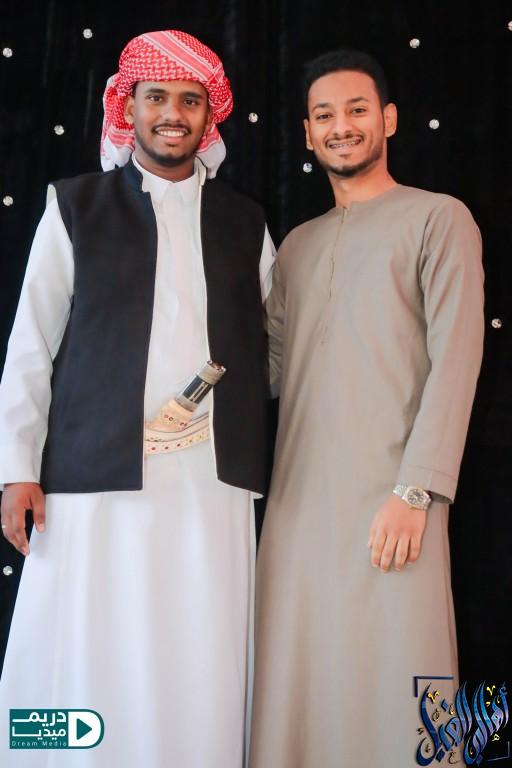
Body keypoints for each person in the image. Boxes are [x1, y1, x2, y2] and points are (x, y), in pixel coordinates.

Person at [0, 29, 274, 767]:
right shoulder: (75, 207)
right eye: (157, 97)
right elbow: (30, 346)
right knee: (94, 646)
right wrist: (16, 470)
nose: (172, 114)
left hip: (211, 481)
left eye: (190, 100)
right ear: (128, 107)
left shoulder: (245, 222)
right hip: (96, 476)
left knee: (199, 650)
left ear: (209, 116)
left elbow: (278, 341)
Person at [249, 48, 484, 767]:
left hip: (395, 501)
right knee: (294, 686)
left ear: (388, 119)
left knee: (399, 681)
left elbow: (457, 361)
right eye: (324, 115)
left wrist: (417, 491)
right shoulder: (296, 247)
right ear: (307, 134)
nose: (341, 126)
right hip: (296, 511)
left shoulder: (438, 219)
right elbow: (267, 372)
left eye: (356, 110)